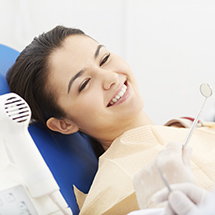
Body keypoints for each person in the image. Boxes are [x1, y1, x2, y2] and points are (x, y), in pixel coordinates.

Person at [6, 25, 215, 214]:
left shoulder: (186, 129)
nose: (111, 78)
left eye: (104, 59)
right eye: (84, 84)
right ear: (64, 123)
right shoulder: (115, 194)